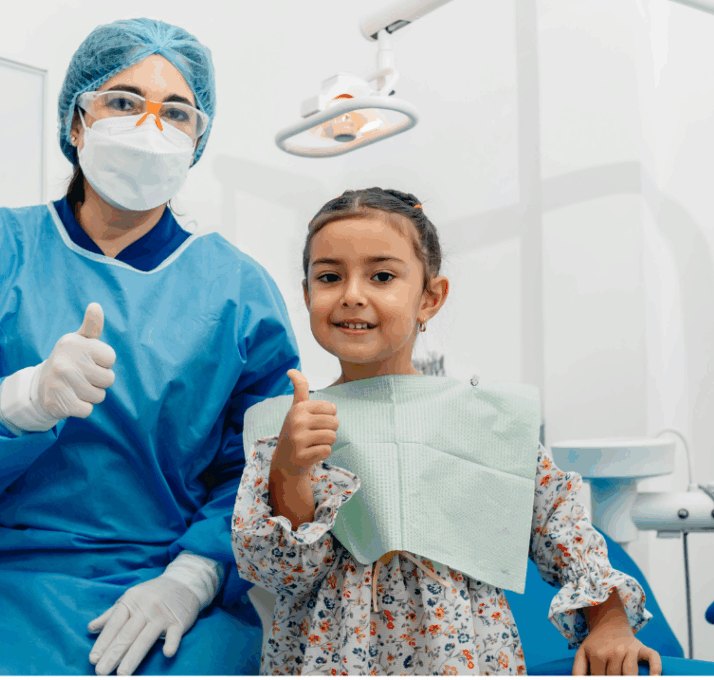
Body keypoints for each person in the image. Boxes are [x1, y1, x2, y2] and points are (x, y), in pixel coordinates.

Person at [0, 18, 299, 675]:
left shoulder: (239, 291)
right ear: (76, 123)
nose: (149, 127)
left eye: (176, 112)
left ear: (198, 138)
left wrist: (194, 577)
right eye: (123, 103)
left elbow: (259, 467)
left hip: (165, 580)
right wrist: (20, 401)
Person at [231, 188, 664, 675]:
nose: (352, 294)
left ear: (430, 298)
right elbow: (282, 573)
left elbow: (561, 529)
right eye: (330, 276)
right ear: (308, 294)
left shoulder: (485, 420)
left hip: (461, 659)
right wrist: (291, 471)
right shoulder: (286, 428)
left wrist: (609, 624)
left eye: (382, 275)